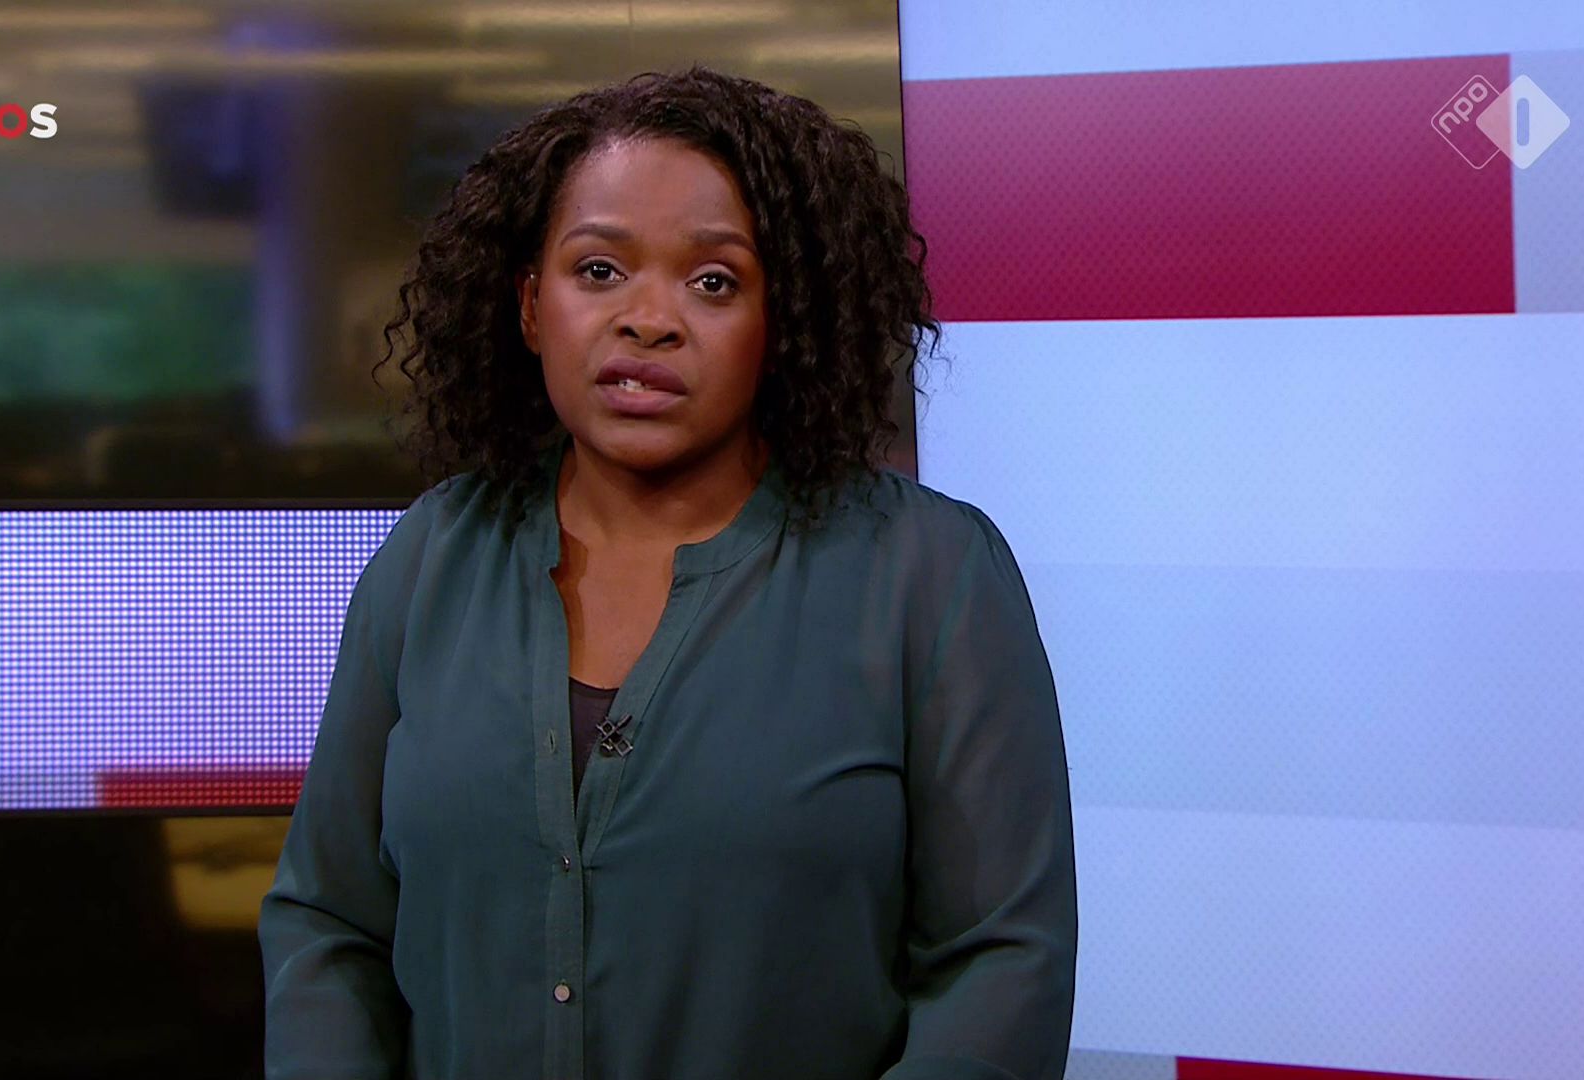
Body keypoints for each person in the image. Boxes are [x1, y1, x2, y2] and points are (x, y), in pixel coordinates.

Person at [258, 65, 1077, 1080]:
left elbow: (1002, 964)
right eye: (599, 270)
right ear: (530, 306)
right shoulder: (431, 555)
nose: (648, 320)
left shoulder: (929, 573)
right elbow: (328, 922)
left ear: (784, 324)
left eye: (714, 281)